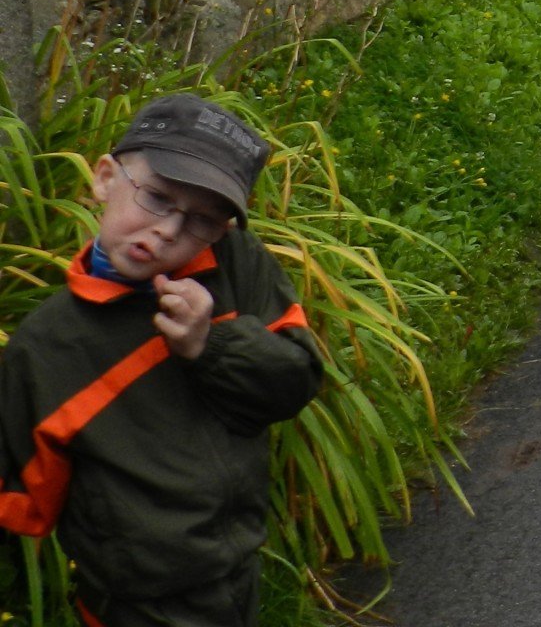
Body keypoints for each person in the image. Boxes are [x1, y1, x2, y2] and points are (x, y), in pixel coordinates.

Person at [0, 94, 324, 627]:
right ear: (105, 178)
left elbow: (295, 384)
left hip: (235, 572)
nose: (170, 231)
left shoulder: (237, 265)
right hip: (132, 602)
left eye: (202, 220)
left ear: (225, 228)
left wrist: (209, 345)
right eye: (155, 198)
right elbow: (23, 504)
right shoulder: (46, 347)